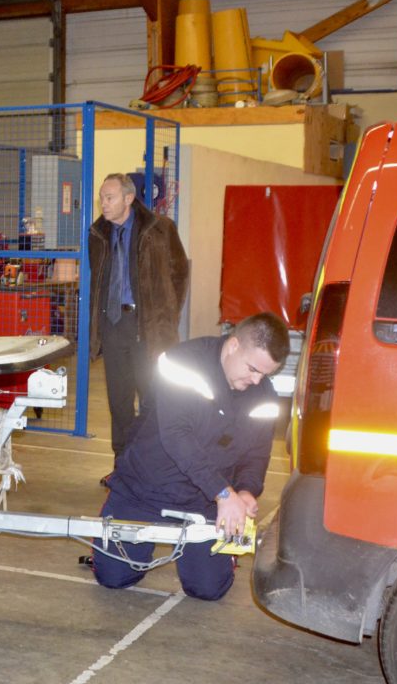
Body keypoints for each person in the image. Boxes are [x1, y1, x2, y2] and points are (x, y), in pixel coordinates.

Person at [90, 312, 289, 600]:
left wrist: (246, 491)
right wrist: (223, 493)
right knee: (113, 578)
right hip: (145, 488)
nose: (257, 380)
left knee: (208, 590)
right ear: (233, 345)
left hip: (203, 501)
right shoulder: (182, 362)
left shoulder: (264, 395)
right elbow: (177, 435)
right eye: (253, 369)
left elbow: (257, 453)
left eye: (266, 374)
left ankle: (213, 559)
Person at [88, 173, 190, 459]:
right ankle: (122, 463)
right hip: (113, 325)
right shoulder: (98, 235)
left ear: (129, 198)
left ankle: (149, 463)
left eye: (110, 198)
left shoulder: (160, 229)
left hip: (147, 327)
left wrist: (166, 314)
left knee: (151, 398)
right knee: (118, 401)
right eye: (102, 198)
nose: (104, 204)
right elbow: (99, 282)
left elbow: (180, 273)